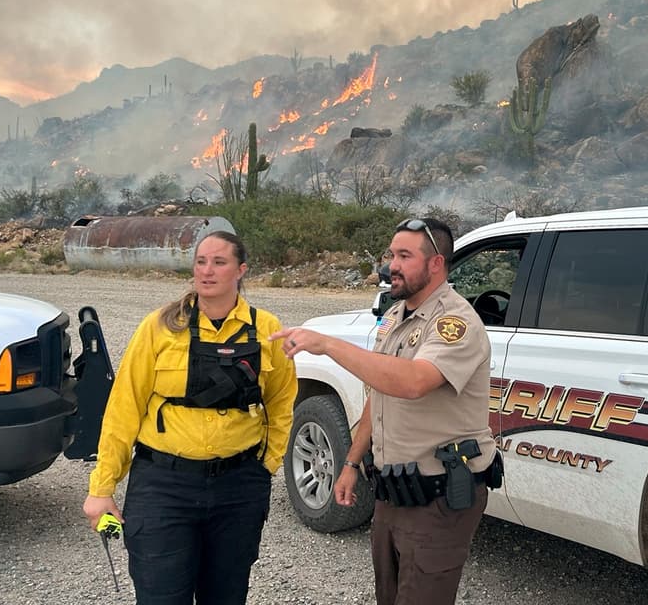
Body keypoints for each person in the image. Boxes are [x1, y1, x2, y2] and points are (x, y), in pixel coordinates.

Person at [272, 217, 499, 605]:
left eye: (404, 256)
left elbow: (411, 382)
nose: (391, 264)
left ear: (435, 265)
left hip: (438, 500)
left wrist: (327, 345)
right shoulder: (397, 316)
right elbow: (380, 392)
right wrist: (350, 463)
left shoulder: (455, 322)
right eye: (391, 254)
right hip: (394, 492)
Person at [82, 231, 296, 605]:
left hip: (238, 487)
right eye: (200, 262)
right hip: (164, 486)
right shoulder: (160, 327)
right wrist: (102, 488)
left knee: (226, 596)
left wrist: (267, 464)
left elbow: (281, 402)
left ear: (241, 270)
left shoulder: (267, 329)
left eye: (219, 262)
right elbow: (124, 407)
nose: (207, 271)